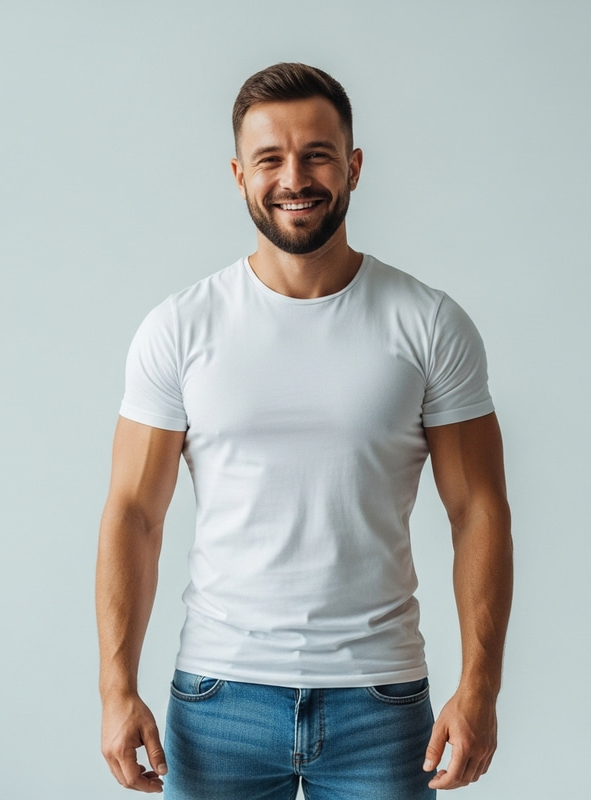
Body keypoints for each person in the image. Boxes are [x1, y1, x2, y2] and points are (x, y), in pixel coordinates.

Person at [96, 62, 513, 799]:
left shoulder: (427, 323)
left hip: (380, 705)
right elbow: (133, 513)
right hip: (217, 700)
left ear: (353, 166)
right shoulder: (181, 328)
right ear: (238, 174)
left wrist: (479, 689)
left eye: (318, 154)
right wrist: (115, 687)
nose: (296, 177)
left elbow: (478, 510)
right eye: (271, 159)